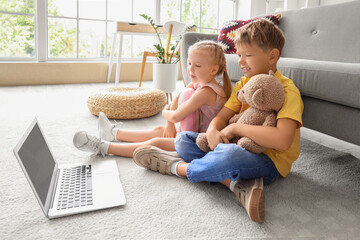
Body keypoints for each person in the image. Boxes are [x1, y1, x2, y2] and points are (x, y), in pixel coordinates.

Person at [132, 19, 304, 223]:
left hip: (269, 161)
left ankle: (176, 167)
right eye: (239, 55)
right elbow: (222, 117)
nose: (241, 61)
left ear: (272, 56)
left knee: (229, 154)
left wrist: (234, 127)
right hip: (234, 146)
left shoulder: (286, 90)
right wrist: (213, 130)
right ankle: (234, 183)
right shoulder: (243, 83)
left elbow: (283, 140)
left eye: (247, 55)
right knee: (185, 140)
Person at [73, 41, 232, 158]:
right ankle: (114, 133)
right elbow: (174, 103)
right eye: (189, 63)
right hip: (191, 133)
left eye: (197, 65)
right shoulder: (197, 83)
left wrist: (165, 114)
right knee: (159, 130)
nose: (190, 69)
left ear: (213, 70)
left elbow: (175, 115)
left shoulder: (207, 92)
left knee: (156, 142)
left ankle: (104, 147)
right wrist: (169, 124)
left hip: (199, 144)